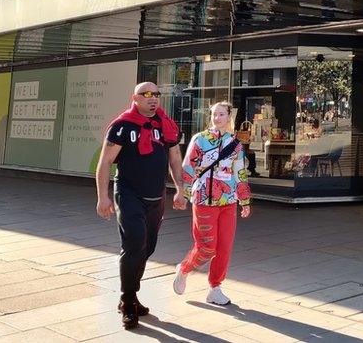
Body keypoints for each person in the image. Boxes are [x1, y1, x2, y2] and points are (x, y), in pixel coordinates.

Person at [95, 82, 187, 330]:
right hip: (128, 193)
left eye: (156, 94)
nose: (153, 98)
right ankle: (127, 302)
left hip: (155, 196)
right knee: (134, 244)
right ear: (134, 98)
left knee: (147, 248)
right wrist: (103, 197)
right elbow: (105, 162)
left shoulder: (166, 125)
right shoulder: (122, 126)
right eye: (146, 94)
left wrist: (180, 189)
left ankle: (131, 295)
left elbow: (175, 159)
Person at [173, 101, 252, 305]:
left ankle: (215, 287)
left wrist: (244, 200)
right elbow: (188, 167)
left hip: (228, 201)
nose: (217, 118)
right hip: (204, 200)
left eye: (221, 115)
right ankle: (184, 269)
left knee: (224, 247)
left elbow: (240, 172)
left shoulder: (235, 144)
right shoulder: (200, 140)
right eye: (214, 115)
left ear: (229, 117)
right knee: (208, 247)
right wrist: (183, 193)